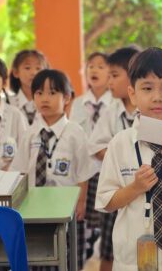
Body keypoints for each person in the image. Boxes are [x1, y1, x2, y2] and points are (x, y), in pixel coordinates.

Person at [95, 47, 162, 270]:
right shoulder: (120, 143)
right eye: (147, 88)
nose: (157, 97)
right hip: (132, 255)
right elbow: (106, 202)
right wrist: (135, 188)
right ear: (133, 94)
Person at [10, 69, 96, 270]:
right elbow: (20, 170)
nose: (44, 99)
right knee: (38, 255)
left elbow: (84, 172)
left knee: (68, 255)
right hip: (33, 207)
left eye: (52, 93)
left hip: (66, 206)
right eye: (39, 93)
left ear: (66, 98)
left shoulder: (75, 132)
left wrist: (81, 202)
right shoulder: (31, 133)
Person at [88, 46, 140, 271]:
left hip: (145, 189)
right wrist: (121, 157)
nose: (109, 82)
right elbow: (96, 145)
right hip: (118, 191)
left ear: (133, 76)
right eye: (108, 76)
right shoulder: (110, 111)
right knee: (109, 250)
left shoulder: (148, 109)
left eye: (115, 76)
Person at [69, 51, 115, 259]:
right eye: (91, 66)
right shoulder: (78, 103)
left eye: (101, 66)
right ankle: (86, 248)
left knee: (106, 221)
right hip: (83, 173)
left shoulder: (116, 104)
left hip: (106, 168)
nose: (94, 70)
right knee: (83, 217)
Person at [9, 49, 49, 125]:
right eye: (27, 68)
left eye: (38, 68)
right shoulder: (8, 103)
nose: (33, 73)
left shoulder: (52, 103)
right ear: (16, 72)